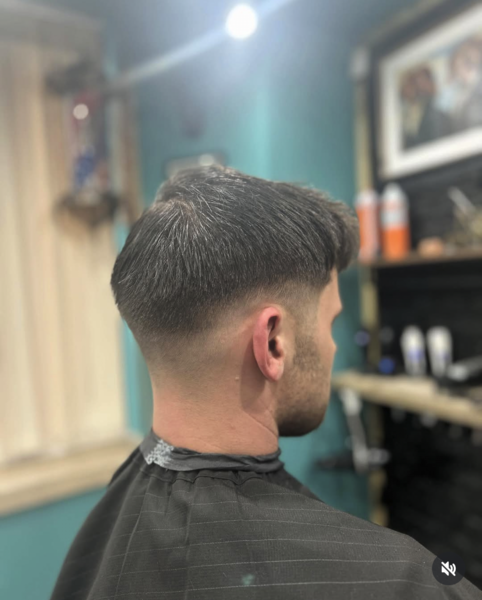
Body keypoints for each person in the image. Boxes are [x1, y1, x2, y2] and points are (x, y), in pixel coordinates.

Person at [49, 166, 481, 599]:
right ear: (273, 342)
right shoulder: (408, 584)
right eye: (330, 323)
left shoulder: (99, 533)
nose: (333, 347)